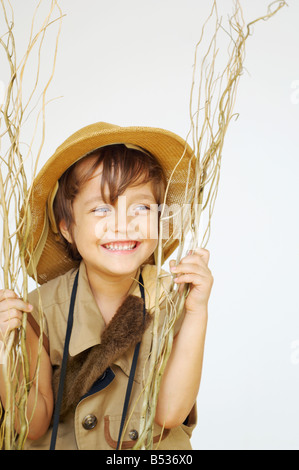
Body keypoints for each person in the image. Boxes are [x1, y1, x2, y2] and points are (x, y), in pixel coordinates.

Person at [0, 122, 213, 450]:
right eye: (101, 208)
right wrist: (3, 354)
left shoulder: (171, 300)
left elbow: (170, 414)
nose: (123, 224)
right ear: (68, 228)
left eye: (141, 207)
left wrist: (198, 311)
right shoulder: (39, 311)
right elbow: (33, 421)